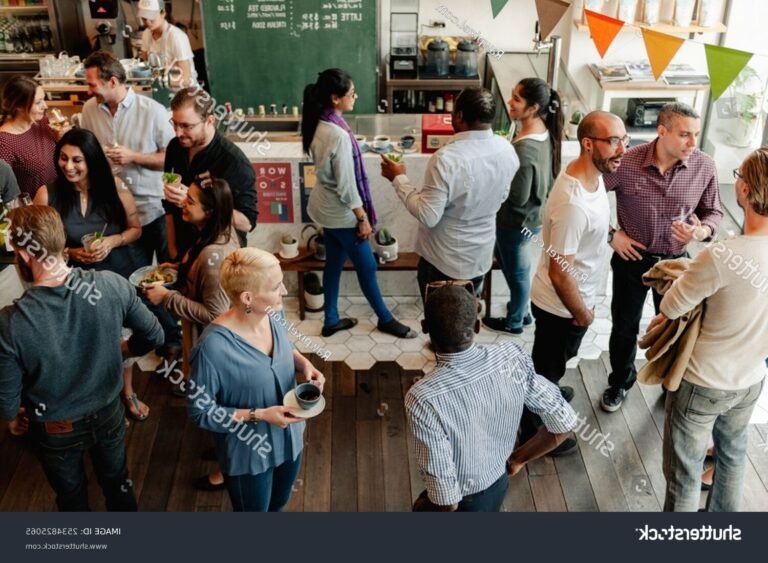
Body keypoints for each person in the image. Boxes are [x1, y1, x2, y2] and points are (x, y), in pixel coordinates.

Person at [0, 206, 164, 511]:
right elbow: (155, 336)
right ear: (62, 244)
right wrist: (123, 350)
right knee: (118, 482)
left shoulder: (10, 323)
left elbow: (7, 404)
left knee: (72, 497)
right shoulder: (112, 285)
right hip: (109, 411)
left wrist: (14, 420)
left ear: (23, 255)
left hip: (54, 428)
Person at [651, 148, 768, 512]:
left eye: (739, 175)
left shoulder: (722, 256)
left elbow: (671, 305)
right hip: (750, 379)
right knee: (732, 458)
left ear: (745, 190)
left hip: (703, 381)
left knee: (685, 472)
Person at [406, 283, 577, 512]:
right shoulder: (511, 357)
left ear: (425, 327)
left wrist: (421, 508)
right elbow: (563, 424)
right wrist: (519, 459)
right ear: (477, 326)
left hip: (464, 502)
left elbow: (446, 500)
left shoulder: (423, 398)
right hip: (497, 481)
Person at [601, 102, 723, 412]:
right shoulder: (626, 163)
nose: (692, 143)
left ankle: (671, 385)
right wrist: (612, 234)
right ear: (661, 131)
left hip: (676, 265)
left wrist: (702, 232)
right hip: (631, 259)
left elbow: (714, 212)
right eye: (684, 134)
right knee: (624, 327)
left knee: (673, 326)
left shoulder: (704, 166)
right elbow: (585, 196)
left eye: (695, 134)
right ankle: (620, 382)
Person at [188, 247, 325, 511]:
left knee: (279, 505)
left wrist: (304, 363)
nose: (284, 291)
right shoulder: (212, 349)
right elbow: (200, 413)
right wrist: (260, 415)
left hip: (290, 438)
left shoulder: (274, 313)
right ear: (248, 297)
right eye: (276, 287)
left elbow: (284, 346)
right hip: (248, 455)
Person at [524, 111, 627, 455]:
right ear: (587, 144)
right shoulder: (573, 204)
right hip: (561, 306)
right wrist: (582, 313)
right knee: (546, 369)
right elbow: (559, 272)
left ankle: (547, 391)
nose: (622, 149)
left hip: (574, 298)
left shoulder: (591, 176)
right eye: (613, 141)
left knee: (552, 362)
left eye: (624, 140)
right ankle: (532, 430)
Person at [33, 128, 147, 420]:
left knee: (121, 336)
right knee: (80, 343)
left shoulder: (116, 190)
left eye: (77, 160)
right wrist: (70, 253)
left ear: (92, 161)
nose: (68, 166)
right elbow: (37, 247)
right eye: (63, 158)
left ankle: (127, 390)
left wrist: (112, 241)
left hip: (112, 276)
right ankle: (89, 397)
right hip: (68, 282)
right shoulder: (47, 195)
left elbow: (136, 230)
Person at [80, 50, 182, 364]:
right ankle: (163, 337)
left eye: (92, 83)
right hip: (116, 215)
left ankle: (178, 341)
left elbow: (172, 157)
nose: (88, 89)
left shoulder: (152, 111)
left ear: (113, 81)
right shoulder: (89, 110)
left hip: (154, 210)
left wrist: (133, 157)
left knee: (165, 279)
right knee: (135, 283)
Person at [301, 68, 414, 338]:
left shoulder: (320, 121)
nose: (355, 97)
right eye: (351, 94)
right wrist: (362, 218)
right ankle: (385, 319)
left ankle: (330, 320)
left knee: (334, 262)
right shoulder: (338, 134)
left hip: (324, 208)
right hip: (341, 213)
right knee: (368, 265)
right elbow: (346, 186)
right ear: (335, 98)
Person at [144, 176, 239, 490]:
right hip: (212, 345)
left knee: (219, 406)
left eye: (190, 201)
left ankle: (230, 468)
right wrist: (178, 268)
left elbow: (215, 314)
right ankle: (226, 448)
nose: (182, 203)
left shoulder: (215, 258)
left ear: (209, 212)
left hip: (215, 349)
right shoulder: (215, 235)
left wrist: (167, 298)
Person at [380, 87, 519, 302]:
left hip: (444, 261)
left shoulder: (446, 159)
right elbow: (501, 198)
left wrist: (398, 178)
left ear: (460, 116)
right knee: (465, 317)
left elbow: (428, 215)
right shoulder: (507, 150)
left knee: (441, 324)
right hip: (480, 256)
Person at [483, 78, 563, 334]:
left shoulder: (524, 150)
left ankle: (515, 321)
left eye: (517, 98)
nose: (510, 101)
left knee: (516, 273)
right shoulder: (542, 130)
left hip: (515, 222)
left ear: (533, 108)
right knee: (517, 268)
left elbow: (516, 198)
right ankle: (523, 312)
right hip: (532, 219)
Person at [163, 87, 257, 260]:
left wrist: (201, 203)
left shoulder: (234, 162)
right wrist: (173, 250)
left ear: (210, 121)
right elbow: (169, 206)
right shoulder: (175, 147)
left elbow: (247, 223)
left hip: (218, 256)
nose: (178, 132)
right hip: (181, 251)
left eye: (186, 126)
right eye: (174, 123)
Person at [0, 76, 64, 198]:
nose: (45, 106)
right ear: (18, 106)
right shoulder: (4, 143)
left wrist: (63, 140)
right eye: (38, 102)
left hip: (61, 201)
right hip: (37, 213)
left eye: (44, 99)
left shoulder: (44, 123)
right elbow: (6, 193)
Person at [138, 0, 197, 87]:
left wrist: (162, 82)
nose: (147, 22)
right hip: (160, 88)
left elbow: (187, 79)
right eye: (144, 18)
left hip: (183, 91)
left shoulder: (176, 37)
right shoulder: (146, 33)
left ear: (163, 13)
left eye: (151, 17)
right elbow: (146, 64)